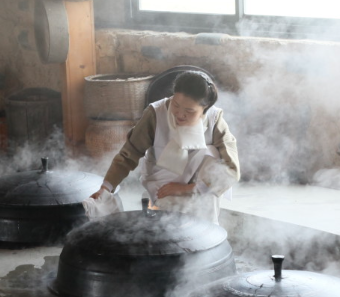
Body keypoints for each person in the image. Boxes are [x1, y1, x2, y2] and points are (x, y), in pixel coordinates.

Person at [90, 70, 240, 224]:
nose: (180, 114)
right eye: (176, 105)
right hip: (162, 182)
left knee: (213, 154)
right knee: (167, 231)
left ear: (205, 108)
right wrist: (106, 188)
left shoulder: (215, 119)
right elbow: (129, 154)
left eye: (189, 111)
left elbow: (231, 170)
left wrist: (188, 189)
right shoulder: (156, 113)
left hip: (199, 185)